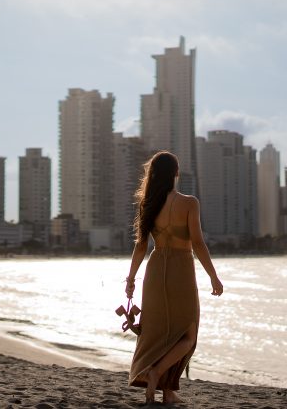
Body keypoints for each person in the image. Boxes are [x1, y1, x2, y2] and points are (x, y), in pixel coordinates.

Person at [125, 151, 223, 405]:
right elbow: (198, 244)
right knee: (188, 334)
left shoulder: (149, 204)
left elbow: (140, 246)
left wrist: (131, 278)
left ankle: (168, 392)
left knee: (159, 333)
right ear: (176, 173)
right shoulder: (189, 203)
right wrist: (213, 276)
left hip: (155, 271)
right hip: (181, 268)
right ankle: (155, 373)